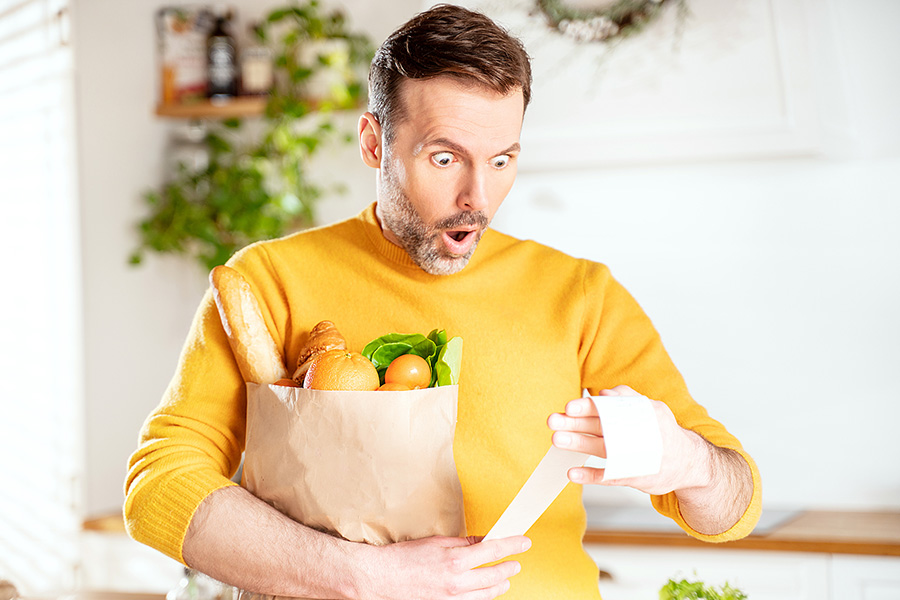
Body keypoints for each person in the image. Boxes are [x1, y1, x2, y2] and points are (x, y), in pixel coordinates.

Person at [125, 4, 761, 599]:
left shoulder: (581, 295)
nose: (477, 197)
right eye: (444, 156)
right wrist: (361, 575)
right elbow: (158, 487)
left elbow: (734, 508)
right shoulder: (269, 281)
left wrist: (691, 464)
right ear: (375, 143)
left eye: (502, 159)